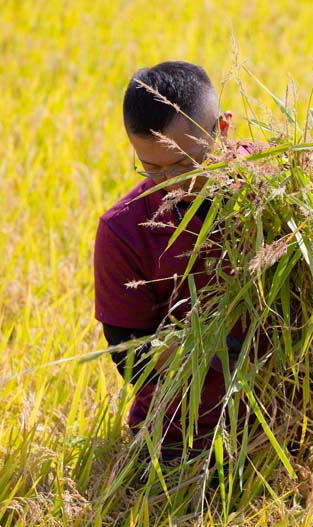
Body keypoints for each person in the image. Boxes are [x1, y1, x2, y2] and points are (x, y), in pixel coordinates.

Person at [93, 61, 236, 462]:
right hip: (184, 441)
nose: (171, 183)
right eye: (151, 168)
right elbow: (128, 354)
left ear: (222, 129)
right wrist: (201, 350)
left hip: (296, 419)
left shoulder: (279, 184)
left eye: (184, 164)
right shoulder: (124, 231)